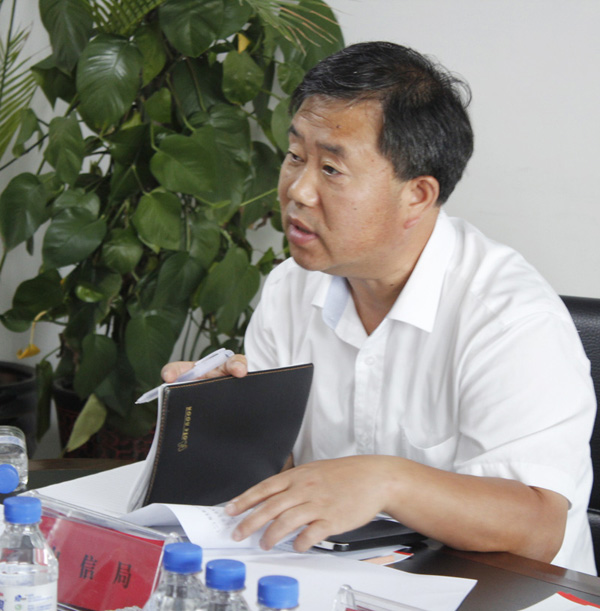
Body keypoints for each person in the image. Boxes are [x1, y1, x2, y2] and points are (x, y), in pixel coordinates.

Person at [163, 42, 596, 574]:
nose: (298, 190)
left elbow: (539, 531)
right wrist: (233, 418)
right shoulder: (290, 286)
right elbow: (281, 470)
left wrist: (388, 481)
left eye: (331, 168)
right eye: (296, 156)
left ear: (417, 195)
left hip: (499, 592)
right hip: (346, 579)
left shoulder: (511, 319)